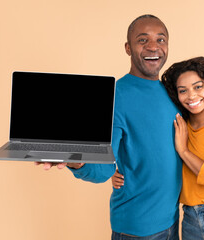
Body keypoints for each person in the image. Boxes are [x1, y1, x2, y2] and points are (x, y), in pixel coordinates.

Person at [37, 15, 182, 239]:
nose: (153, 46)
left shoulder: (174, 92)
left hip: (173, 220)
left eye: (160, 40)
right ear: (128, 47)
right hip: (137, 229)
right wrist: (75, 160)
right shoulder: (115, 96)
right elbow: (102, 169)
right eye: (143, 40)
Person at [113, 57, 204, 239]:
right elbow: (150, 156)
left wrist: (184, 152)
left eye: (198, 87)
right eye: (183, 91)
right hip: (190, 219)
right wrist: (118, 173)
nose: (191, 96)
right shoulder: (179, 125)